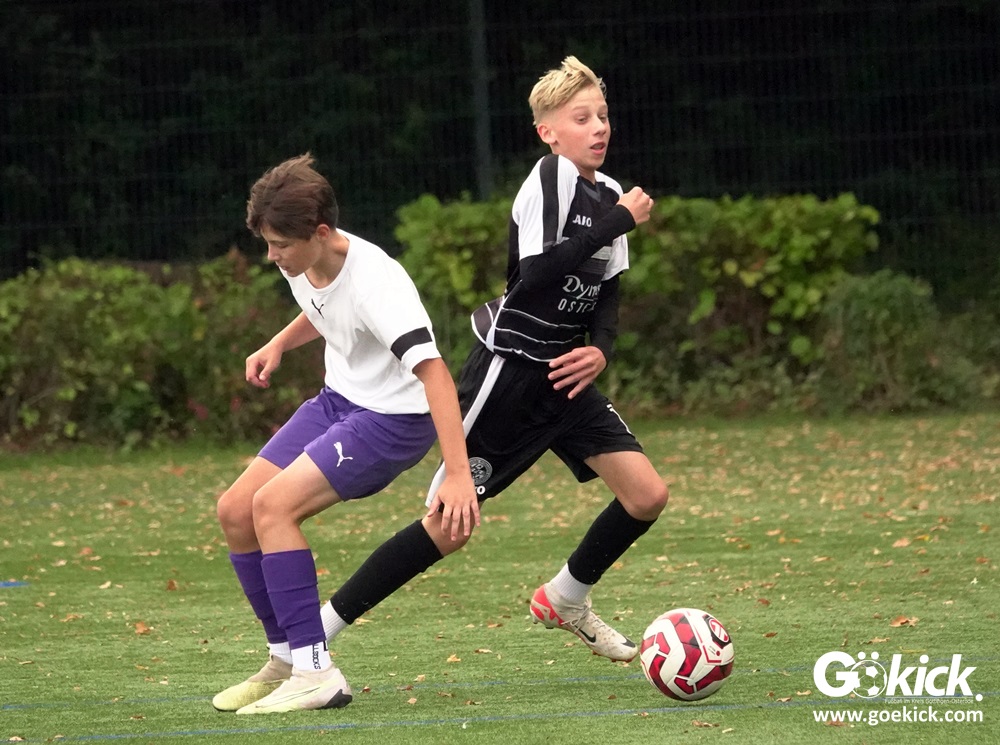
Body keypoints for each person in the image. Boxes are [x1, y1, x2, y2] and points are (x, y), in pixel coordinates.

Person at [317, 56, 669, 666]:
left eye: (603, 116)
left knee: (646, 495)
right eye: (581, 118)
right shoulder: (552, 177)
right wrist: (618, 222)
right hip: (511, 374)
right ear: (548, 132)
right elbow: (535, 274)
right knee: (448, 525)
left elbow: (609, 287)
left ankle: (565, 598)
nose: (598, 127)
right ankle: (317, 632)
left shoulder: (611, 193)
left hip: (565, 379)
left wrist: (601, 349)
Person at [211, 153, 479, 715]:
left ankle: (317, 673)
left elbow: (435, 375)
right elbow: (324, 308)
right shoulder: (304, 262)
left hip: (392, 421)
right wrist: (279, 343)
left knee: (273, 508)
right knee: (236, 510)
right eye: (268, 243)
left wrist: (458, 473)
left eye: (280, 244)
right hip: (338, 401)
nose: (272, 256)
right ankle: (286, 658)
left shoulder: (378, 284)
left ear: (321, 232)